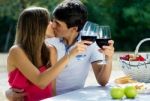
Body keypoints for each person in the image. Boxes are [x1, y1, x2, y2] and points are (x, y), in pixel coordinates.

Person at [6, 0, 114, 100]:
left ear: (74, 29)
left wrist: (108, 57)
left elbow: (103, 81)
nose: (52, 25)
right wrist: (8, 92)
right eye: (51, 21)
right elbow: (31, 77)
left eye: (57, 23)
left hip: (73, 97)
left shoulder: (89, 42)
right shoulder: (47, 42)